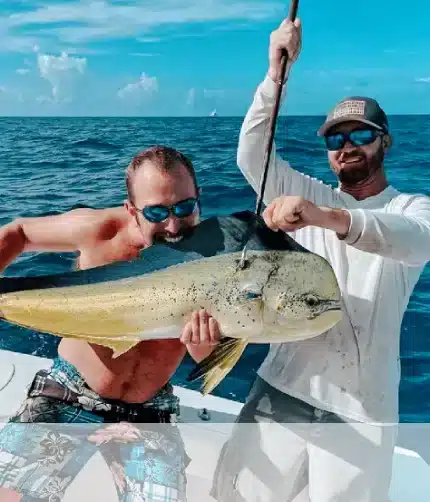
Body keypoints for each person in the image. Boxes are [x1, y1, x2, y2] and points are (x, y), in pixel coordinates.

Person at [211, 17, 430, 502]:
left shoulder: (412, 208)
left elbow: (413, 240)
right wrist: (276, 76)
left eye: (361, 136)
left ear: (385, 142)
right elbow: (253, 155)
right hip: (282, 386)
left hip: (362, 412)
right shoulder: (305, 193)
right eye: (336, 139)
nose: (347, 147)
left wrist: (325, 217)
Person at [0, 145, 219, 502]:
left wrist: (204, 345)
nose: (174, 225)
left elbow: (205, 358)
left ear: (199, 199)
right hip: (68, 392)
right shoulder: (99, 230)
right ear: (132, 210)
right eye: (157, 212)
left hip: (150, 408)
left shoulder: (216, 256)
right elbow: (19, 232)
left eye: (184, 208)